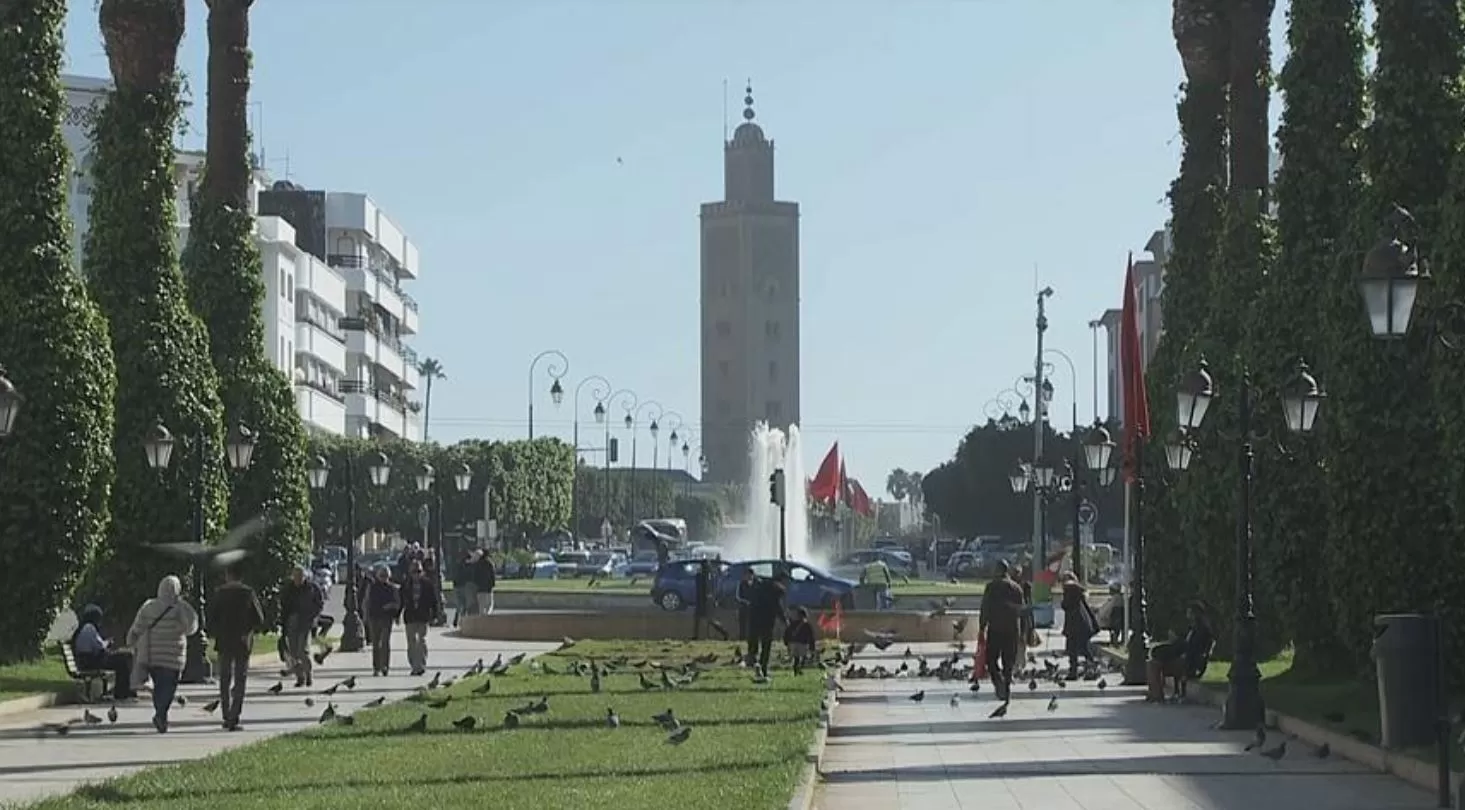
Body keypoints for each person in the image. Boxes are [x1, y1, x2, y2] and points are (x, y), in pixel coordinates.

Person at [126, 575, 199, 733]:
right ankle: (161, 714)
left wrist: (131, 638)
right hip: (173, 657)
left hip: (153, 656)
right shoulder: (181, 608)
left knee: (159, 687)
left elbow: (138, 626)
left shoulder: (149, 606)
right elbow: (191, 628)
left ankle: (161, 714)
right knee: (169, 687)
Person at [208, 565, 266, 730]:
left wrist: (217, 630)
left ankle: (226, 714)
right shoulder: (248, 593)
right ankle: (235, 715)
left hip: (225, 640)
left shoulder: (220, 593)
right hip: (242, 641)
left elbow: (211, 618)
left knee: (224, 679)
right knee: (240, 680)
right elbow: (259, 618)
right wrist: (247, 628)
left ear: (228, 575)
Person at [977, 561, 1026, 702]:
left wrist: (982, 627)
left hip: (996, 629)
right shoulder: (1016, 588)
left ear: (998, 571)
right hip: (1012, 630)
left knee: (991, 659)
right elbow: (1021, 611)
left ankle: (999, 682)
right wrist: (1023, 631)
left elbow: (985, 608)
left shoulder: (991, 587)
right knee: (1008, 662)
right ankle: (1006, 686)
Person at [70, 604, 136, 700]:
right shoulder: (89, 628)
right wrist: (108, 643)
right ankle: (122, 692)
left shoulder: (84, 627)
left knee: (123, 657)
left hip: (86, 659)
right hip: (91, 661)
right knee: (122, 660)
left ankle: (123, 691)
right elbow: (99, 646)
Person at [1153, 601, 1216, 699]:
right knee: (1155, 660)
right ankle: (1156, 692)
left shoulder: (1202, 631)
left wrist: (1179, 644)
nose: (1187, 615)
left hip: (1192, 663)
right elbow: (1188, 645)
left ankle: (1156, 694)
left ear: (1195, 614)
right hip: (1187, 659)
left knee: (1155, 664)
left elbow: (1193, 649)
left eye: (1189, 612)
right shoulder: (1194, 628)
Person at [279, 566, 324, 687]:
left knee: (302, 651)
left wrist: (313, 616)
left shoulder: (312, 588)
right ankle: (300, 677)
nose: (297, 579)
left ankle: (308, 674)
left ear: (305, 577)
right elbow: (284, 607)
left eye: (300, 577)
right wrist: (284, 624)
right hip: (292, 622)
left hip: (306, 622)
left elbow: (319, 604)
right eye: (295, 576)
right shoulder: (288, 589)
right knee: (293, 653)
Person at [400, 559, 440, 676]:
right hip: (410, 617)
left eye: (418, 571)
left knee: (422, 641)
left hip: (423, 616)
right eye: (414, 571)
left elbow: (434, 600)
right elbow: (401, 600)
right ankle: (414, 665)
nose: (416, 574)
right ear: (410, 572)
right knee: (411, 642)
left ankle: (421, 665)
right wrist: (397, 614)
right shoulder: (406, 584)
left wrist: (436, 614)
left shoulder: (427, 584)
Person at [746, 572, 789, 679]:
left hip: (754, 619)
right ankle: (763, 668)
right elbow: (777, 606)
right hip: (767, 621)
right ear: (783, 580)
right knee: (766, 645)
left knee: (754, 643)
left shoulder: (762, 586)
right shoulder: (777, 589)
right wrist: (784, 620)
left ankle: (755, 663)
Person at [1059, 572, 1098, 679]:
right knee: (1083, 647)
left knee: (1073, 649)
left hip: (1074, 624)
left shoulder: (1069, 588)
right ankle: (1091, 667)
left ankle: (1074, 671)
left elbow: (1065, 605)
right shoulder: (1078, 593)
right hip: (1081, 624)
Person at [363, 564, 401, 676]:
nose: (384, 578)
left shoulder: (392, 588)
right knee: (376, 643)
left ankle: (385, 666)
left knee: (385, 643)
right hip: (373, 617)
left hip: (386, 618)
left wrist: (391, 607)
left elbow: (397, 604)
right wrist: (365, 616)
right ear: (377, 576)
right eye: (381, 575)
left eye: (385, 575)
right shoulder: (372, 587)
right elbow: (367, 601)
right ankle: (376, 667)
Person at [783, 607, 816, 675]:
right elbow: (811, 636)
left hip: (793, 642)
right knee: (802, 657)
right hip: (802, 643)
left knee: (796, 658)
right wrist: (812, 647)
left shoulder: (793, 624)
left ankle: (796, 670)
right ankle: (799, 669)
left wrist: (786, 642)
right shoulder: (806, 625)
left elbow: (787, 632)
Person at [453, 549, 479, 627]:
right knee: (465, 605)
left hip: (457, 585)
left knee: (459, 604)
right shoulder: (469, 565)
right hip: (464, 586)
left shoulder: (458, 564)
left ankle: (457, 619)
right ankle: (462, 620)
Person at [692, 560, 712, 639]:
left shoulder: (703, 576)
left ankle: (723, 632)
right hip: (702, 600)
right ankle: (696, 636)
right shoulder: (705, 576)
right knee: (699, 619)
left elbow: (707, 588)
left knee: (708, 620)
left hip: (704, 600)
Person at [472, 549, 497, 615]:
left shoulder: (477, 564)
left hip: (480, 588)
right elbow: (492, 576)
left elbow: (474, 576)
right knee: (489, 605)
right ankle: (487, 617)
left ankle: (482, 619)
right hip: (488, 588)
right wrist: (493, 585)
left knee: (481, 606)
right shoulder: (490, 564)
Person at [735, 568, 756, 641]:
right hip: (743, 607)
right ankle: (742, 638)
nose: (749, 576)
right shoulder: (741, 584)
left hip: (753, 608)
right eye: (747, 575)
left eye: (750, 575)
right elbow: (738, 596)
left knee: (752, 625)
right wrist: (745, 602)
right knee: (742, 625)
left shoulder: (756, 584)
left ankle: (751, 639)